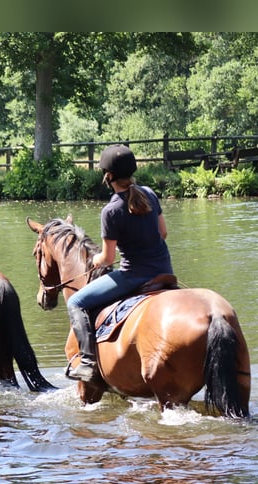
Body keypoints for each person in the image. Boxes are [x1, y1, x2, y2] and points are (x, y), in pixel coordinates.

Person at [66, 144, 173, 383]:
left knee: (76, 302)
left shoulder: (111, 210)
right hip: (165, 270)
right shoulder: (149, 193)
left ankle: (87, 362)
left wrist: (93, 259)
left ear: (109, 176)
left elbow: (108, 259)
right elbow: (163, 232)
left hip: (134, 275)